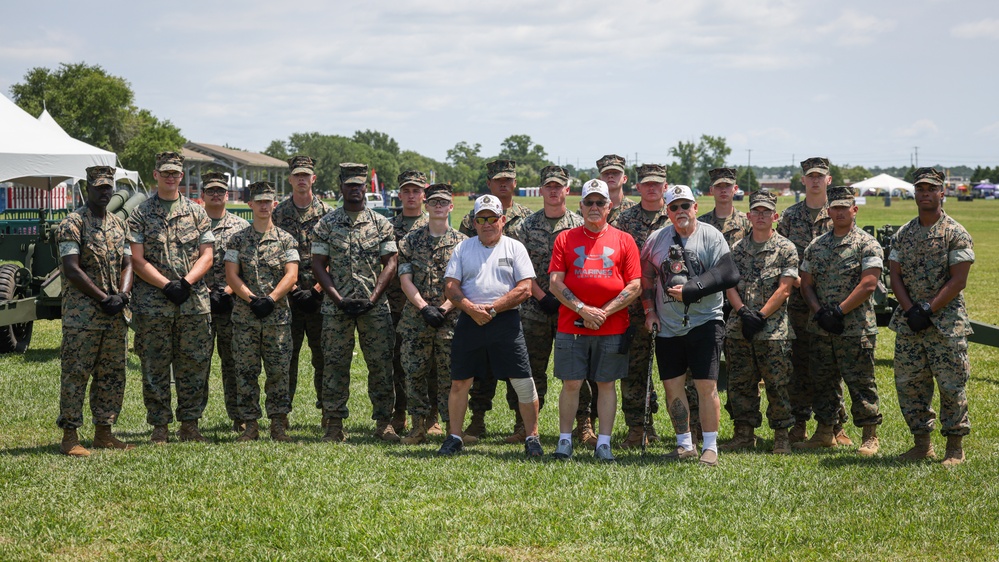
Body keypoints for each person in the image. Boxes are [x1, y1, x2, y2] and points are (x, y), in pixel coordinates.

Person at [640, 185, 740, 466]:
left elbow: (729, 272)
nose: (680, 211)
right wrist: (650, 312)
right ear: (667, 211)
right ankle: (685, 444)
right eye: (674, 207)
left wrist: (693, 288)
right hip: (668, 325)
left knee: (705, 385)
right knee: (672, 386)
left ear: (696, 207)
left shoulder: (711, 235)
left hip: (704, 321)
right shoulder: (656, 240)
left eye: (686, 206)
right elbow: (646, 278)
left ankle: (710, 446)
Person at [439, 195, 541, 457]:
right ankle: (454, 437)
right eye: (481, 219)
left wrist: (494, 309)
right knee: (460, 382)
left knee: (522, 382)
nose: (487, 224)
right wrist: (472, 309)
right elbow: (451, 286)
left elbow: (525, 288)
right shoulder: (463, 248)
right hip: (469, 320)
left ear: (502, 220)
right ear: (474, 222)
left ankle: (532, 437)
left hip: (505, 321)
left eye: (492, 218)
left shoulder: (514, 248)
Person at [549, 179, 641, 461]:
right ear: (580, 206)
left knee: (606, 383)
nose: (594, 207)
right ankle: (565, 441)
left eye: (600, 202)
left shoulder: (624, 240)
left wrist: (603, 312)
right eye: (589, 202)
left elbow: (635, 285)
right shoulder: (565, 238)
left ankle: (604, 443)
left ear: (609, 207)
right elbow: (555, 282)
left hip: (612, 326)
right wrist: (582, 309)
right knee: (572, 383)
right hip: (571, 325)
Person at [127, 151, 215, 444]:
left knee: (194, 365)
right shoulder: (140, 214)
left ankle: (190, 425)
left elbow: (207, 255)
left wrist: (187, 283)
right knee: (154, 367)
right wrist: (166, 285)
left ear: (181, 175)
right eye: (165, 172)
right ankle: (160, 426)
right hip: (153, 304)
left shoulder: (197, 212)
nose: (170, 176)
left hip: (194, 303)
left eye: (175, 172)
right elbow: (137, 260)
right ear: (155, 174)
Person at [889, 167, 974, 466]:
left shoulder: (955, 232)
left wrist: (929, 308)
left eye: (930, 188)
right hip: (911, 323)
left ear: (942, 193)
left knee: (951, 385)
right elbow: (894, 275)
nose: (925, 193)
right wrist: (911, 309)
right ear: (915, 193)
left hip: (946, 324)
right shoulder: (904, 233)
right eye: (920, 189)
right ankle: (922, 445)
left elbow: (958, 280)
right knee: (910, 384)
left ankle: (954, 448)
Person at [312, 163, 399, 442]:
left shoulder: (380, 223)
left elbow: (391, 263)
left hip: (374, 308)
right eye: (349, 185)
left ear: (366, 188)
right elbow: (318, 264)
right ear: (341, 188)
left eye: (359, 185)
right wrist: (337, 299)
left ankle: (384, 422)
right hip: (337, 308)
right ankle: (334, 424)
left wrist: (373, 299)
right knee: (335, 365)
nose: (354, 189)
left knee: (381, 365)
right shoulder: (327, 224)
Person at [795, 186, 883, 455]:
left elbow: (869, 283)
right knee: (823, 382)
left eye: (846, 207)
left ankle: (870, 436)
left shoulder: (866, 243)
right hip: (821, 327)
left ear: (854, 210)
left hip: (855, 328)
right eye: (836, 208)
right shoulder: (817, 245)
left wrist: (839, 311)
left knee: (860, 382)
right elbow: (806, 284)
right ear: (828, 211)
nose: (840, 212)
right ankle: (824, 432)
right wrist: (820, 312)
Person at [55, 166, 134, 456]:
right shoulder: (72, 223)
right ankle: (70, 436)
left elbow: (128, 263)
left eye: (108, 186)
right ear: (86, 189)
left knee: (112, 375)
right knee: (76, 374)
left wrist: (123, 295)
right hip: (83, 316)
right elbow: (72, 269)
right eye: (99, 187)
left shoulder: (118, 224)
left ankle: (104, 432)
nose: (105, 191)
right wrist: (104, 298)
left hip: (114, 315)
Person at [506, 165, 586, 444]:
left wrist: (565, 298)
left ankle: (584, 425)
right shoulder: (524, 227)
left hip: (572, 309)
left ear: (567, 190)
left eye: (558, 186)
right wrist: (542, 296)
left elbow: (586, 269)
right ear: (541, 190)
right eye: (548, 186)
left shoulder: (579, 225)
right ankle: (525, 426)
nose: (553, 191)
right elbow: (520, 269)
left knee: (577, 372)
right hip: (533, 309)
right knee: (528, 371)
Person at [457, 159, 533, 440]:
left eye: (508, 179)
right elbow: (467, 258)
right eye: (498, 180)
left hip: (520, 305)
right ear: (489, 183)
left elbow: (529, 263)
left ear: (515, 183)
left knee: (518, 368)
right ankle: (477, 420)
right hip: (479, 306)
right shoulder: (471, 219)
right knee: (480, 369)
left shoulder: (527, 216)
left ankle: (522, 425)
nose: (504, 184)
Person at [777, 157, 849, 445]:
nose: (816, 180)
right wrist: (799, 281)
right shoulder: (789, 217)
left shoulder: (838, 212)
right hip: (797, 303)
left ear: (828, 180)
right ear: (803, 181)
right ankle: (799, 424)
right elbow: (780, 253)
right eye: (811, 176)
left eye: (821, 176)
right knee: (798, 364)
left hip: (832, 303)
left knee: (831, 365)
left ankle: (835, 424)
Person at [719, 189, 797, 454]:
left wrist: (761, 315)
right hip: (739, 328)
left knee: (777, 384)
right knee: (740, 383)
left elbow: (785, 288)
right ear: (749, 216)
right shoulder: (737, 249)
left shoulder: (785, 248)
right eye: (757, 212)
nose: (761, 216)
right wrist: (742, 312)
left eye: (767, 212)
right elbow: (728, 284)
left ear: (775, 216)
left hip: (773, 331)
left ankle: (781, 436)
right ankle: (743, 433)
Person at [224, 181, 299, 443]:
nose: (264, 206)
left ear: (274, 204)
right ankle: (250, 425)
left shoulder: (286, 238)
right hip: (246, 317)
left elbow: (292, 274)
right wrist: (251, 298)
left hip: (277, 317)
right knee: (246, 371)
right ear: (250, 205)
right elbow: (231, 274)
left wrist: (272, 298)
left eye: (269, 201)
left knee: (279, 371)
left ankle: (278, 425)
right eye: (259, 202)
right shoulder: (238, 239)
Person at [396, 184, 467, 444]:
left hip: (452, 321)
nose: (438, 206)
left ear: (451, 207)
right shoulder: (409, 241)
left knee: (451, 377)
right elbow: (405, 279)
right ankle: (417, 428)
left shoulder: (463, 243)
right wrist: (424, 307)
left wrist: (445, 308)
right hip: (416, 320)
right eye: (434, 202)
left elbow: (465, 282)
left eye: (443, 202)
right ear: (426, 206)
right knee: (414, 374)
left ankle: (452, 429)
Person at [610, 163, 671, 448]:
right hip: (634, 310)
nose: (651, 188)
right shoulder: (623, 220)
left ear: (665, 187)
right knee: (634, 372)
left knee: (678, 371)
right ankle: (638, 428)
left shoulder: (675, 216)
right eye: (646, 183)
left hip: (672, 307)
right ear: (638, 187)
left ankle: (690, 431)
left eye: (656, 183)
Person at [273, 155, 332, 420]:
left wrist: (318, 289)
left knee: (324, 357)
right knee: (286, 357)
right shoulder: (277, 214)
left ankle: (328, 413)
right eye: (297, 175)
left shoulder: (329, 215)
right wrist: (294, 289)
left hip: (322, 298)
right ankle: (282, 413)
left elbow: (336, 256)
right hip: (288, 299)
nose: (301, 179)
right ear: (290, 179)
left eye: (305, 175)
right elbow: (272, 254)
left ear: (313, 179)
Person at [201, 171, 249, 431]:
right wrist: (205, 292)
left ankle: (239, 417)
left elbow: (247, 266)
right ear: (203, 195)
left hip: (233, 305)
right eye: (211, 191)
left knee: (234, 364)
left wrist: (230, 291)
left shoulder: (240, 226)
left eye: (221, 191)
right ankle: (192, 419)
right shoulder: (194, 223)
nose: (216, 195)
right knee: (198, 363)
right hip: (200, 303)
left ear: (228, 195)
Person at [386, 170, 430, 436]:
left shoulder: (435, 224)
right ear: (400, 194)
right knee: (397, 364)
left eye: (416, 191)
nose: (411, 196)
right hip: (394, 307)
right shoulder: (387, 228)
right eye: (407, 191)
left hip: (428, 309)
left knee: (432, 366)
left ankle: (432, 417)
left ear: (424, 195)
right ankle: (399, 414)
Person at [698, 167, 751, 250]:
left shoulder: (747, 222)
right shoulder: (701, 223)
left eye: (728, 185)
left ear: (735, 189)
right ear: (711, 190)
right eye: (718, 186)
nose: (723, 190)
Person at [597, 154, 635, 224]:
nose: (610, 176)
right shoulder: (589, 208)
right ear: (599, 180)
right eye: (606, 173)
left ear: (624, 179)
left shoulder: (635, 210)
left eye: (615, 173)